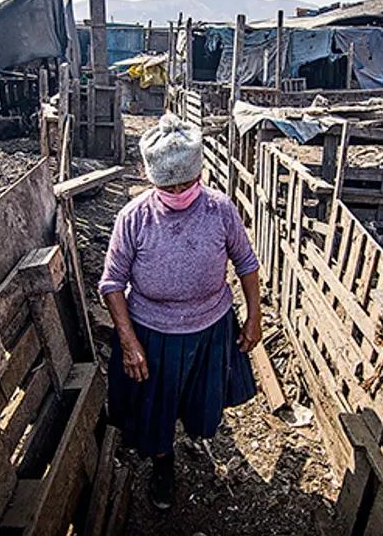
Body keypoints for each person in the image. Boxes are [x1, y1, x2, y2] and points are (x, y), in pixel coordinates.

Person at [98, 114, 262, 510]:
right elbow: (112, 282)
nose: (178, 192)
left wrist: (255, 316)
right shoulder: (133, 217)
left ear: (200, 173)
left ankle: (194, 435)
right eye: (167, 186)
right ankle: (162, 466)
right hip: (153, 332)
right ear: (152, 180)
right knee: (154, 411)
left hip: (211, 324)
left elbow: (246, 262)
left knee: (200, 403)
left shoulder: (220, 209)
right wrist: (129, 340)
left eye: (186, 184)